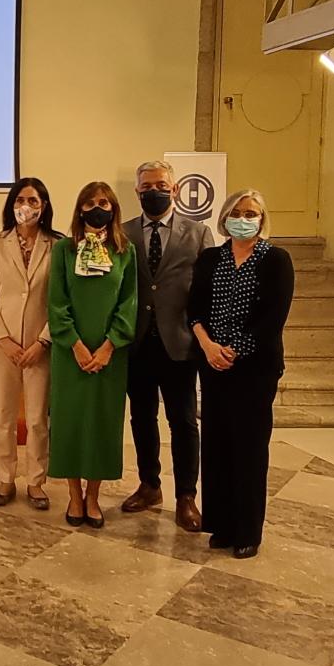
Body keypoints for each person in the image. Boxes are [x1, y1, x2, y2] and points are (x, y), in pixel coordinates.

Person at [188, 190, 293, 559]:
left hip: (255, 370)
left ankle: (248, 531)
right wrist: (208, 346)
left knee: (249, 448)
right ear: (225, 217)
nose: (244, 219)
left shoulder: (275, 260)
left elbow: (273, 317)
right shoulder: (210, 258)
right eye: (237, 212)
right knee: (217, 446)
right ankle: (223, 525)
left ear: (262, 220)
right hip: (213, 365)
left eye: (251, 213)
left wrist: (233, 350)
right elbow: (194, 308)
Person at [122, 160, 215, 532]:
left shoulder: (199, 233)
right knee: (142, 418)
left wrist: (205, 338)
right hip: (138, 341)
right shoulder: (124, 232)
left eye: (161, 185)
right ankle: (150, 485)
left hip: (180, 343)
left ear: (174, 189)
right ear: (137, 191)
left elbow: (206, 290)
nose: (154, 191)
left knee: (183, 421)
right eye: (146, 186)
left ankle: (186, 497)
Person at [47, 181, 137, 529]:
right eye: (90, 203)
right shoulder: (64, 249)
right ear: (80, 209)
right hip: (70, 352)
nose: (97, 208)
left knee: (102, 422)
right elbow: (56, 301)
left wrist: (109, 346)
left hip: (110, 355)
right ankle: (74, 495)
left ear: (113, 208)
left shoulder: (125, 251)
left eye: (104, 202)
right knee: (69, 422)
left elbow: (129, 302)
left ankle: (94, 496)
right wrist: (76, 344)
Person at [0, 177, 59, 509]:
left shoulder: (57, 245)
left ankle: (36, 481)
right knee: (3, 415)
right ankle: (5, 478)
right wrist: (4, 340)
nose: (26, 207)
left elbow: (61, 300)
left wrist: (43, 341)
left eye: (33, 201)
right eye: (20, 200)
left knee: (38, 418)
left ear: (44, 206)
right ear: (11, 205)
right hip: (2, 346)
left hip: (41, 346)